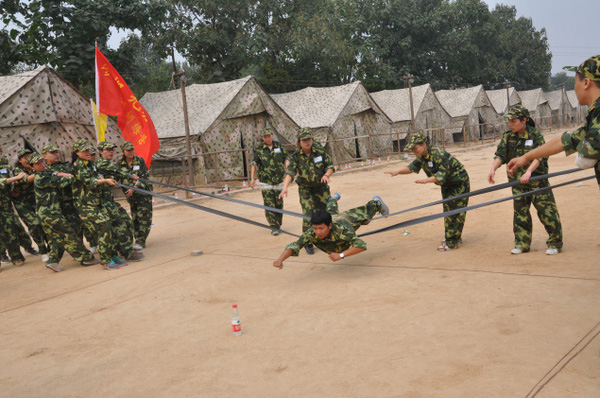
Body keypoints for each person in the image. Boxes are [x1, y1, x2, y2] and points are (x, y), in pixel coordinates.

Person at [508, 54, 600, 186]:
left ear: (586, 83)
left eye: (575, 82)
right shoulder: (595, 114)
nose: (574, 88)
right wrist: (526, 157)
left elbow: (585, 159)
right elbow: (563, 141)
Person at [489, 105, 563, 255]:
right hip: (517, 182)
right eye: (509, 121)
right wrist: (493, 169)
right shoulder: (508, 136)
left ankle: (555, 243)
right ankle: (522, 243)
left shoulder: (535, 135)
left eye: (513, 121)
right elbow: (500, 154)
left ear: (524, 120)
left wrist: (529, 171)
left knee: (547, 212)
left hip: (537, 181)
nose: (510, 124)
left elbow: (541, 155)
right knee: (520, 214)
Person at [385, 132, 470, 251]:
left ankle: (452, 242)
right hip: (447, 184)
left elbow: (441, 176)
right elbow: (412, 167)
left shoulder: (438, 154)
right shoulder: (422, 156)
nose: (414, 151)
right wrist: (397, 172)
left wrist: (426, 180)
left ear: (424, 144)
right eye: (412, 150)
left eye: (415, 148)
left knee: (455, 211)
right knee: (448, 210)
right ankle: (453, 237)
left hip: (458, 183)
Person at [273, 194, 389, 269]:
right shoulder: (312, 232)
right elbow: (295, 245)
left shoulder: (342, 229)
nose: (317, 232)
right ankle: (332, 199)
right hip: (332, 219)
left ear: (329, 226)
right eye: (315, 228)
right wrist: (280, 259)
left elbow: (361, 245)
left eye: (321, 228)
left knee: (365, 215)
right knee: (331, 211)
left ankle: (376, 203)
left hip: (345, 220)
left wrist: (341, 255)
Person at [27, 153, 99, 272]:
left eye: (42, 161)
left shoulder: (45, 172)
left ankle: (53, 261)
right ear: (32, 167)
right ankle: (86, 258)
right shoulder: (42, 178)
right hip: (50, 214)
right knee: (69, 234)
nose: (42, 164)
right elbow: (63, 181)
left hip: (49, 213)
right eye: (38, 163)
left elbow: (56, 173)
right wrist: (76, 176)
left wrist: (64, 174)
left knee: (56, 238)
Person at [279, 128, 335, 254]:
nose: (307, 142)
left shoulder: (320, 151)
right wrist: (285, 187)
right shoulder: (296, 156)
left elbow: (330, 166)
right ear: (299, 142)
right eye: (304, 140)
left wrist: (326, 175)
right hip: (306, 189)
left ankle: (328, 237)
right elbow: (290, 172)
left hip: (321, 188)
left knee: (326, 213)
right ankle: (308, 242)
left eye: (309, 139)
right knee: (308, 214)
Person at [72, 139, 124, 270]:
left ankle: (112, 255)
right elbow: (89, 181)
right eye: (84, 150)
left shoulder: (89, 163)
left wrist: (103, 179)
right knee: (103, 227)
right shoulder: (78, 165)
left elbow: (96, 176)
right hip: (86, 206)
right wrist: (104, 180)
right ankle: (105, 260)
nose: (88, 152)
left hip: (96, 203)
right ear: (77, 152)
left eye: (89, 149)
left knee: (109, 227)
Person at [96, 141, 144, 262]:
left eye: (112, 149)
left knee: (124, 222)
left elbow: (115, 174)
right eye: (107, 150)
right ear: (101, 152)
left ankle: (125, 250)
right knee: (121, 223)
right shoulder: (102, 163)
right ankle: (125, 252)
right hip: (103, 202)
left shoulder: (105, 163)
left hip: (108, 200)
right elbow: (118, 171)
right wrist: (131, 176)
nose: (111, 152)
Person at [250, 127, 289, 235]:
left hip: (279, 180)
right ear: (262, 138)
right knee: (269, 204)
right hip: (266, 181)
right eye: (265, 137)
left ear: (272, 135)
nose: (267, 138)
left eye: (269, 136)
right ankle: (274, 226)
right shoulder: (258, 149)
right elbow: (254, 163)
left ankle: (278, 224)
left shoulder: (279, 146)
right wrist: (252, 178)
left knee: (279, 204)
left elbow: (286, 157)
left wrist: (287, 165)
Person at [12, 148, 49, 259]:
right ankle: (43, 251)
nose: (28, 159)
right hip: (22, 203)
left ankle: (51, 247)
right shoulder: (18, 171)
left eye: (29, 156)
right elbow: (27, 179)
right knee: (34, 224)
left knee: (44, 223)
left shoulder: (35, 168)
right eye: (25, 157)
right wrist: (41, 171)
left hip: (35, 200)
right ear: (19, 160)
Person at [119, 141, 152, 250]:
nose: (131, 152)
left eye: (132, 149)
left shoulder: (139, 161)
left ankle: (141, 241)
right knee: (135, 217)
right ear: (123, 152)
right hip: (131, 197)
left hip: (143, 194)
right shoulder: (120, 164)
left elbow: (144, 177)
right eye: (128, 150)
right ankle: (137, 237)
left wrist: (134, 188)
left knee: (143, 217)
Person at [0, 170, 29, 267]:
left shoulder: (4, 167)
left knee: (10, 232)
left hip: (5, 207)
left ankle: (16, 257)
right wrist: (16, 178)